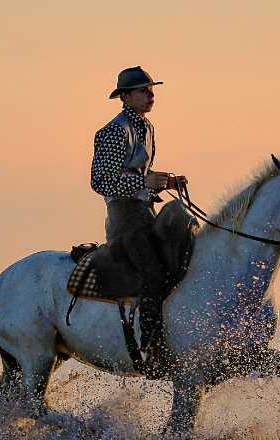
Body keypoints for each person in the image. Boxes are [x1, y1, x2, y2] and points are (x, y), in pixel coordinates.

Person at [90, 66, 188, 378]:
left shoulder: (147, 127)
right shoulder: (113, 131)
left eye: (151, 89)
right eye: (143, 90)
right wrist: (147, 181)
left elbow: (138, 177)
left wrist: (166, 181)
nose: (151, 94)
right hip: (125, 219)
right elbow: (101, 181)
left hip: (145, 213)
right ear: (125, 96)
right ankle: (152, 349)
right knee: (154, 272)